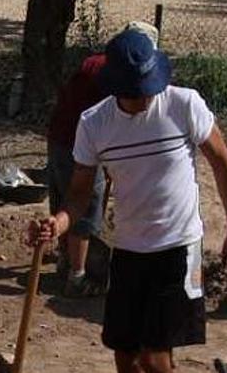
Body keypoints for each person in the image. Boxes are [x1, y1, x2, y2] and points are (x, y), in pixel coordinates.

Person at [27, 28, 227, 373]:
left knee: (155, 358)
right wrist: (59, 224)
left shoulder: (183, 104)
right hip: (129, 250)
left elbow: (222, 162)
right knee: (124, 353)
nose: (146, 96)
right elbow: (80, 193)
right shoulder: (94, 123)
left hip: (178, 247)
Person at [45, 21, 158, 297]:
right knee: (84, 211)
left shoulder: (95, 62)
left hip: (58, 135)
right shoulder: (121, 78)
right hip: (79, 144)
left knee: (63, 201)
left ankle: (65, 260)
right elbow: (118, 119)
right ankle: (77, 276)